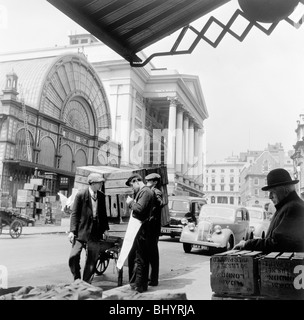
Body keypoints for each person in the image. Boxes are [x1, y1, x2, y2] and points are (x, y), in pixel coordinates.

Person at [234, 168, 304, 253]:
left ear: (285, 190)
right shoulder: (288, 206)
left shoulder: (293, 208)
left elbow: (277, 243)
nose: (270, 196)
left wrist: (247, 244)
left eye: (272, 192)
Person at [68, 173, 110, 283]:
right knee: (73, 256)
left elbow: (103, 214)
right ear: (92, 184)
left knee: (92, 259)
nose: (101, 184)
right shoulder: (81, 195)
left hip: (95, 231)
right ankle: (77, 278)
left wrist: (105, 229)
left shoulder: (101, 196)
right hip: (81, 231)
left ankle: (86, 283)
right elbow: (75, 214)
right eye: (99, 182)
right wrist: (72, 231)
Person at [125, 173, 154, 293]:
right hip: (143, 229)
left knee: (140, 258)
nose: (133, 188)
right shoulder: (144, 192)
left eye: (132, 185)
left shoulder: (145, 192)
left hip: (142, 230)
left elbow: (140, 209)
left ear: (136, 181)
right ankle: (141, 285)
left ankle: (139, 286)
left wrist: (130, 203)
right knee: (142, 258)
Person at [145, 172, 164, 287]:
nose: (147, 183)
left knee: (153, 254)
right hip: (149, 227)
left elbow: (160, 202)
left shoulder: (156, 192)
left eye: (149, 181)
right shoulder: (150, 191)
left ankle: (154, 279)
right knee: (148, 253)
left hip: (153, 228)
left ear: (155, 182)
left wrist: (152, 194)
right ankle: (149, 278)